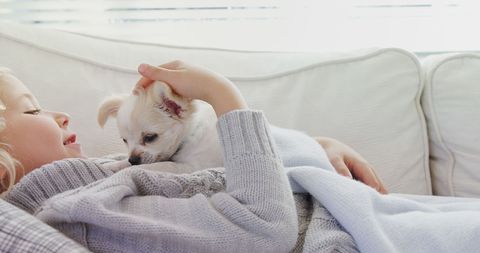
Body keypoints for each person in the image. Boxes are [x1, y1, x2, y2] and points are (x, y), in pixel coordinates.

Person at [0, 62, 385, 252]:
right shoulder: (77, 213)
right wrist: (221, 94)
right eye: (32, 111)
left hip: (362, 208)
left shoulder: (96, 179)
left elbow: (218, 170)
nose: (60, 114)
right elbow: (264, 227)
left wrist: (312, 149)